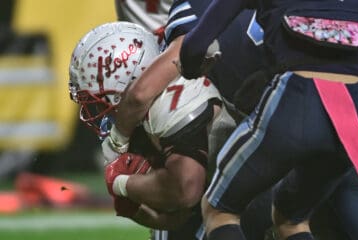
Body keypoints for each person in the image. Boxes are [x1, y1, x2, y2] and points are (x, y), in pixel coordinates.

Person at [178, 0, 358, 239]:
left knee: (220, 209)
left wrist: (190, 69)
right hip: (357, 111)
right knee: (291, 220)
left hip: (297, 97)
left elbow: (194, 45)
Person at [68, 21, 237, 239]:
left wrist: (122, 183)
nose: (97, 112)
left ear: (125, 83)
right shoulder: (145, 123)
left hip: (260, 192)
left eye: (99, 103)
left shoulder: (172, 98)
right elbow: (176, 219)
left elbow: (184, 190)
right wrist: (137, 206)